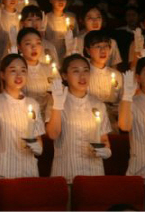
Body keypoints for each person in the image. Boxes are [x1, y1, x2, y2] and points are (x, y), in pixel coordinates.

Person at [0, 54, 45, 182]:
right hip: (1, 172)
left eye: (23, 71)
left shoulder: (33, 104)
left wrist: (37, 147)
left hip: (28, 172)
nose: (19, 75)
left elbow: (39, 141)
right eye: (13, 71)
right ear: (2, 74)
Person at [45, 54, 112, 183]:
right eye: (76, 71)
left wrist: (106, 150)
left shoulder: (98, 104)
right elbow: (53, 134)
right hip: (66, 172)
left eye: (86, 71)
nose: (82, 76)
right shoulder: (56, 101)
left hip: (94, 173)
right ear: (64, 75)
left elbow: (104, 139)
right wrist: (58, 105)